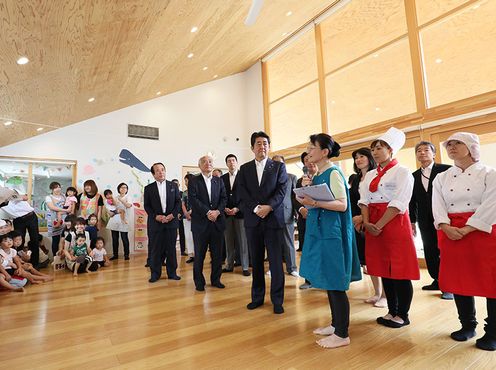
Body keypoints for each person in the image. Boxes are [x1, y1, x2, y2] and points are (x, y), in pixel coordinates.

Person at [432, 132, 496, 351]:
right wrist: (444, 226)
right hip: (451, 231)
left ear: (471, 147)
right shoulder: (442, 177)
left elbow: (492, 203)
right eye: (449, 144)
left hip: (483, 230)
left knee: (491, 282)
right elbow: (437, 205)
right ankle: (467, 324)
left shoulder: (489, 173)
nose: (452, 147)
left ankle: (493, 331)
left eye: (457, 143)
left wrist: (469, 227)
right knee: (459, 279)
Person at [297, 134, 361, 349]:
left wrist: (314, 201)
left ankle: (342, 334)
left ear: (325, 151)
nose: (308, 151)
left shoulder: (333, 172)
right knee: (328, 279)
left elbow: (342, 205)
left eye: (312, 147)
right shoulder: (319, 172)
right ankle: (336, 324)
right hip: (321, 230)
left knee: (335, 282)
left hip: (331, 233)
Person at [359, 127, 420, 328]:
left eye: (380, 148)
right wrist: (368, 223)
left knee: (399, 270)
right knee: (383, 268)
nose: (375, 152)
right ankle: (391, 310)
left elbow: (400, 202)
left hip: (394, 222)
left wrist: (378, 224)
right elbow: (364, 201)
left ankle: (403, 314)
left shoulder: (402, 172)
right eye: (373, 148)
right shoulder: (369, 175)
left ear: (391, 150)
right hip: (373, 223)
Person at [237, 131, 288, 314]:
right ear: (252, 148)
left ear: (269, 146)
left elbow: (282, 191)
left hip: (273, 219)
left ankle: (277, 301)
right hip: (253, 220)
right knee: (256, 262)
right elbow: (241, 193)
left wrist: (269, 207)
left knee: (275, 262)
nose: (262, 147)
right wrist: (255, 209)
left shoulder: (278, 167)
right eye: (258, 144)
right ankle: (257, 297)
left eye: (265, 143)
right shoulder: (244, 169)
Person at [409, 141, 452, 300]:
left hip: (445, 218)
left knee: (445, 250)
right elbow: (411, 201)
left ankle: (448, 286)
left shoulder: (446, 170)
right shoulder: (413, 176)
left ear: (433, 153)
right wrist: (412, 221)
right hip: (424, 219)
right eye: (418, 150)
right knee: (430, 249)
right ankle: (437, 279)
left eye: (426, 150)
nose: (422, 153)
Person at [349, 148, 386, 308]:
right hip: (359, 223)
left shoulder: (378, 175)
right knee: (369, 260)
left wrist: (364, 218)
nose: (358, 160)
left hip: (374, 221)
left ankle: (385, 295)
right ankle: (377, 292)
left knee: (380, 259)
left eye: (362, 156)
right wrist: (356, 219)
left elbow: (377, 200)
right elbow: (353, 202)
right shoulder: (356, 179)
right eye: (356, 157)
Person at [188, 155, 227, 291]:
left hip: (217, 223)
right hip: (200, 224)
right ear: (199, 166)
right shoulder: (193, 181)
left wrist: (217, 212)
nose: (207, 163)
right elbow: (193, 200)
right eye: (204, 162)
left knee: (217, 255)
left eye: (210, 161)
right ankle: (199, 282)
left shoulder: (219, 181)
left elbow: (224, 198)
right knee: (199, 255)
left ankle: (216, 280)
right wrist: (208, 212)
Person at [144, 163, 182, 283]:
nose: (161, 172)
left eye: (163, 170)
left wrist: (172, 215)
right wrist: (157, 217)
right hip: (156, 223)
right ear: (153, 174)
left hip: (171, 222)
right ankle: (155, 274)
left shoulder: (173, 186)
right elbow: (147, 206)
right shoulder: (149, 188)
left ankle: (172, 273)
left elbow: (178, 203)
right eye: (158, 171)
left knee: (171, 249)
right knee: (155, 249)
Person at [292, 152, 318, 290]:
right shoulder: (300, 180)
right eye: (306, 160)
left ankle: (321, 279)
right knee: (307, 250)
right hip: (305, 219)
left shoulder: (321, 177)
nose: (309, 161)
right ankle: (308, 280)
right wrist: (301, 209)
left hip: (319, 219)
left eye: (311, 158)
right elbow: (295, 197)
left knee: (320, 249)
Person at [222, 154, 250, 276]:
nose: (231, 162)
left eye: (233, 160)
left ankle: (245, 267)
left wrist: (237, 208)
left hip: (240, 214)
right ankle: (229, 265)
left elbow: (247, 196)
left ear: (237, 162)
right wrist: (224, 208)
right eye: (229, 161)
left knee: (243, 241)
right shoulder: (222, 178)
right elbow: (220, 195)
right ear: (226, 164)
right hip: (227, 214)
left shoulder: (244, 177)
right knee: (228, 241)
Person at [272, 155, 298, 277]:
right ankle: (274, 268)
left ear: (284, 164)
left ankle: (292, 267)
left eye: (280, 163)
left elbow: (295, 197)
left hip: (287, 213)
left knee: (289, 242)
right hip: (272, 214)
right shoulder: (269, 178)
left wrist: (296, 212)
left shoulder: (292, 177)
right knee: (273, 243)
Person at [1, 191, 40, 268]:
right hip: (18, 220)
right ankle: (21, 265)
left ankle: (35, 264)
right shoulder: (1, 202)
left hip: (30, 216)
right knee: (18, 242)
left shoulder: (11, 194)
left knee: (35, 240)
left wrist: (9, 197)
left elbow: (25, 197)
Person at [107, 183, 132, 260]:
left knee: (124, 238)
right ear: (119, 189)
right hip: (114, 219)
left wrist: (121, 200)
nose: (123, 189)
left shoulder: (128, 197)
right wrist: (111, 212)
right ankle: (115, 255)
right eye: (121, 187)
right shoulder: (115, 197)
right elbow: (111, 207)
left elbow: (128, 205)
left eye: (125, 187)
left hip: (124, 220)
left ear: (127, 189)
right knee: (114, 238)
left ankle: (126, 255)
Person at [45, 182, 68, 257]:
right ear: (52, 189)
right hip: (54, 220)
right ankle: (55, 258)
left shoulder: (64, 196)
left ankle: (63, 258)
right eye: (55, 187)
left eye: (59, 187)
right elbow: (52, 207)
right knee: (56, 240)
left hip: (65, 220)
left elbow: (69, 204)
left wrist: (68, 210)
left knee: (65, 239)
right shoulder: (48, 197)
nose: (58, 189)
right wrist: (66, 210)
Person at [182, 174, 195, 264]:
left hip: (196, 216)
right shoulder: (184, 192)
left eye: (186, 180)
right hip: (185, 217)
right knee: (188, 236)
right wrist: (186, 213)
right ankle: (191, 255)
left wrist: (190, 212)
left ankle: (197, 254)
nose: (185, 183)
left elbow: (197, 203)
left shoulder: (197, 191)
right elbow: (182, 204)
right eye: (185, 181)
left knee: (195, 236)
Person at [172, 179, 187, 257]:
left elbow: (183, 205)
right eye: (174, 184)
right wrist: (174, 214)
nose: (175, 185)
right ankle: (172, 250)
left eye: (177, 184)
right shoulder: (169, 193)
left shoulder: (182, 193)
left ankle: (183, 250)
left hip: (181, 217)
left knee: (182, 234)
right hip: (172, 217)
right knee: (173, 235)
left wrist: (180, 213)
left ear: (179, 185)